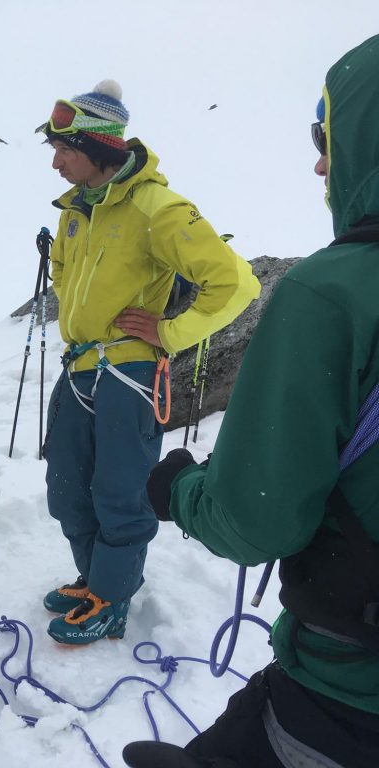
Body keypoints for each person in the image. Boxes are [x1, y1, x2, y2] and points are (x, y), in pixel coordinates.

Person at [124, 36, 379, 768]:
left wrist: (182, 490)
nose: (321, 164)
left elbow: (255, 519)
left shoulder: (333, 296)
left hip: (346, 699)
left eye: (327, 137)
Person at [38, 81, 260, 645]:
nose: (56, 163)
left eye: (64, 149)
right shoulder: (74, 212)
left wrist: (169, 333)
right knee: (66, 487)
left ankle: (112, 597)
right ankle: (95, 579)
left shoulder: (158, 208)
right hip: (80, 367)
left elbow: (236, 284)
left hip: (130, 373)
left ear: (98, 147)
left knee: (119, 490)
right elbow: (62, 270)